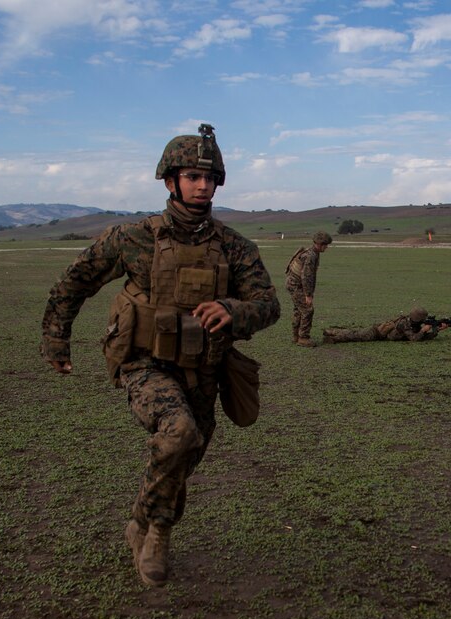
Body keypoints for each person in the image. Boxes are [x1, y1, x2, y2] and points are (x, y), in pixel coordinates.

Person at [40, 123, 280, 587]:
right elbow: (75, 282)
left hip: (203, 369)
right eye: (192, 176)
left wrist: (232, 310)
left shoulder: (234, 247)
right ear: (171, 180)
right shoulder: (133, 238)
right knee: (178, 433)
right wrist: (56, 339)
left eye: (210, 178)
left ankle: (140, 521)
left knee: (183, 458)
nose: (203, 185)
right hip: (143, 363)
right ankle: (158, 537)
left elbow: (268, 305)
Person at [285, 231, 333, 347]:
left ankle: (296, 336)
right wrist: (308, 295)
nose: (326, 247)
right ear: (319, 244)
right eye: (325, 245)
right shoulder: (310, 256)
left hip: (292, 284)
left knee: (298, 310)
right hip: (296, 285)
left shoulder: (311, 253)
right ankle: (303, 338)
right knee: (307, 310)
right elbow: (306, 276)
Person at [321, 308, 447, 343]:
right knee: (355, 335)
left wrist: (436, 331)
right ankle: (332, 336)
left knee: (354, 333)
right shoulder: (405, 324)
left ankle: (332, 332)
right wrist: (424, 330)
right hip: (376, 333)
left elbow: (418, 337)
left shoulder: (412, 324)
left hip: (380, 334)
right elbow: (414, 339)